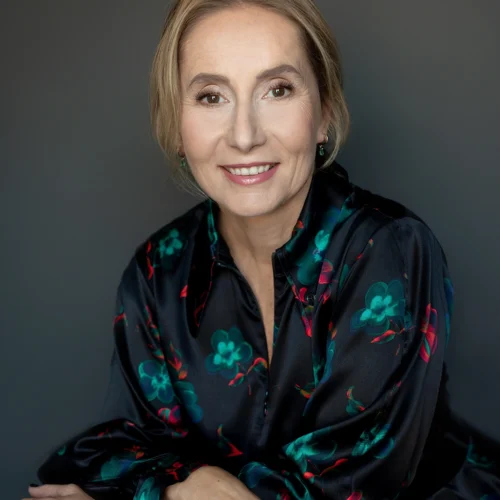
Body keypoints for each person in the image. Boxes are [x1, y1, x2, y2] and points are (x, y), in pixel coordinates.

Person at [26, 1, 500, 499]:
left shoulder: (391, 251)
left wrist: (171, 490)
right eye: (211, 97)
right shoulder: (158, 271)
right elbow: (103, 454)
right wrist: (173, 488)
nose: (244, 136)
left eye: (277, 90)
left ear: (324, 114)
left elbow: (345, 485)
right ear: (178, 126)